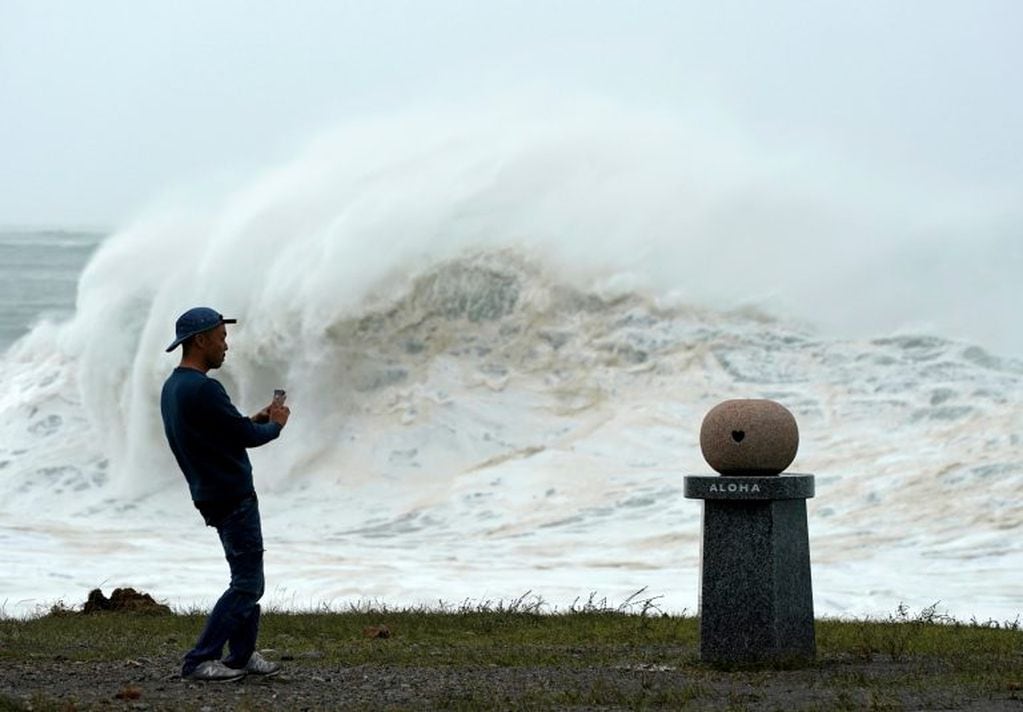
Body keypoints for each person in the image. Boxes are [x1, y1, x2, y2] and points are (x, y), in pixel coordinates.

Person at [160, 306, 291, 682]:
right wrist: (276, 426)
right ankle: (200, 659)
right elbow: (247, 439)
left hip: (210, 493)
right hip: (231, 495)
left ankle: (242, 655)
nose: (225, 346)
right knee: (248, 583)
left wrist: (254, 418)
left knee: (246, 576)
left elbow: (224, 430)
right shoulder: (204, 387)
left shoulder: (176, 386)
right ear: (200, 340)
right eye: (221, 337)